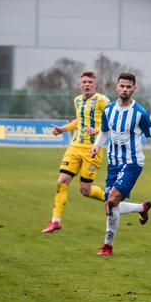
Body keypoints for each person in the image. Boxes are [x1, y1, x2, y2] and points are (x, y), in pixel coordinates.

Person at [90, 73, 151, 256]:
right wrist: (96, 146)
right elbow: (103, 132)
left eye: (128, 86)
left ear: (134, 88)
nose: (124, 89)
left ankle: (107, 247)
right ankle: (141, 208)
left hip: (132, 163)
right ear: (117, 87)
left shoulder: (140, 113)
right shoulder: (108, 110)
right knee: (110, 207)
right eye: (122, 86)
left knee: (111, 201)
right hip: (113, 163)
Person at [42, 71, 110, 233]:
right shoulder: (77, 100)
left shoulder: (102, 100)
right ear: (80, 84)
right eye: (84, 82)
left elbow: (114, 122)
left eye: (90, 82)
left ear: (95, 84)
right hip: (74, 148)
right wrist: (63, 129)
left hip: (92, 151)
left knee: (85, 190)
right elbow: (79, 121)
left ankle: (111, 199)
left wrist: (97, 130)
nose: (86, 84)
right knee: (62, 181)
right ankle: (55, 220)